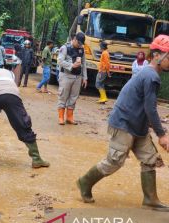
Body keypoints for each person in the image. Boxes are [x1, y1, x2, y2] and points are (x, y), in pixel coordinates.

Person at [77, 35, 169, 211]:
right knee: (114, 161)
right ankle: (84, 182)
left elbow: (146, 107)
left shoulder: (150, 74)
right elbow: (150, 109)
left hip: (138, 125)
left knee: (149, 159)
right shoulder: (151, 76)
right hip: (124, 123)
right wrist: (162, 134)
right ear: (157, 55)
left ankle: (150, 199)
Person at [57, 32, 88, 125]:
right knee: (63, 96)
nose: (79, 45)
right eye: (78, 43)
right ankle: (61, 117)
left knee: (74, 97)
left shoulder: (81, 49)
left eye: (81, 44)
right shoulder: (65, 48)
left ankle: (70, 117)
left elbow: (84, 63)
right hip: (66, 75)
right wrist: (71, 65)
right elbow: (60, 61)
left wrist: (85, 77)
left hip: (77, 77)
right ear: (74, 39)